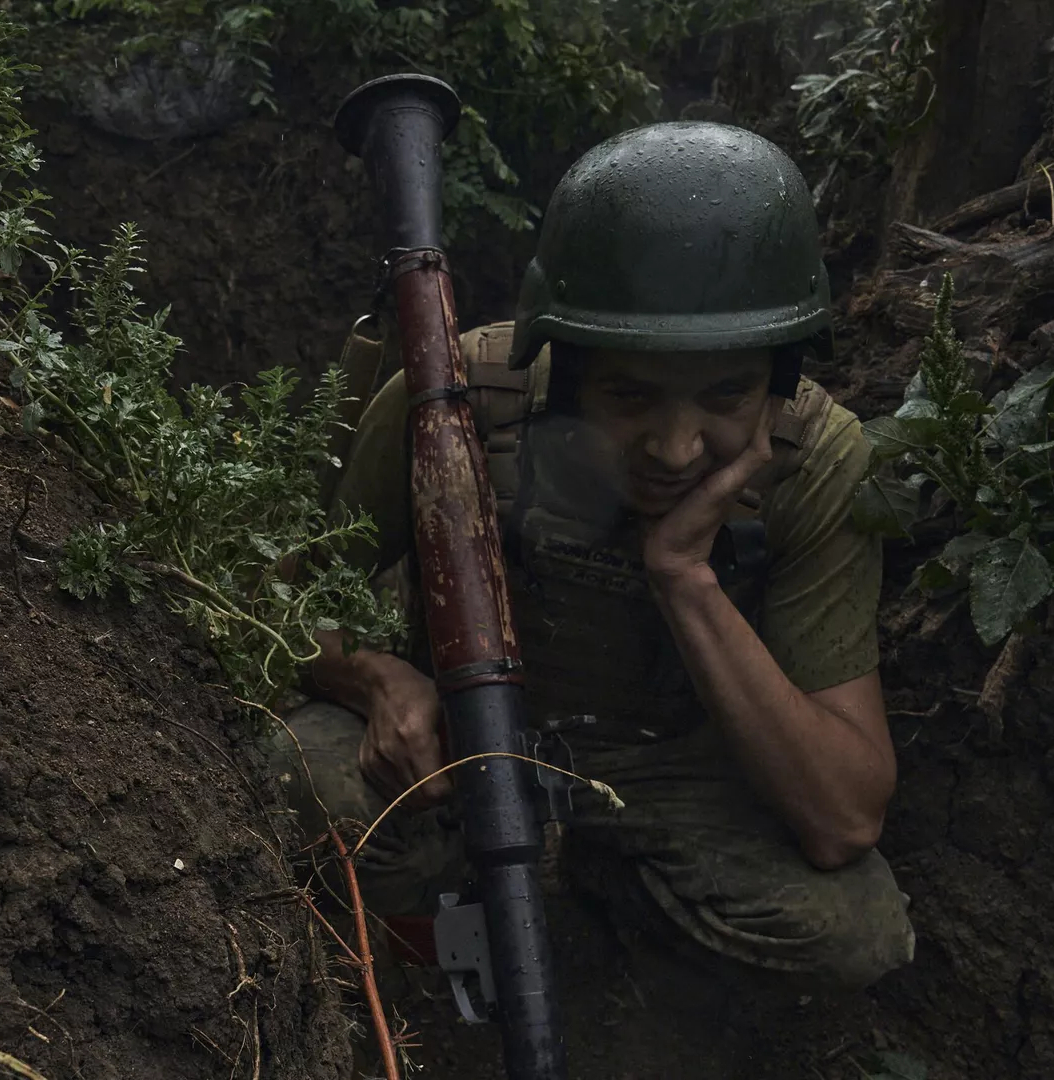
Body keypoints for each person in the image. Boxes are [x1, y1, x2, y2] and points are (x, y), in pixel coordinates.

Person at [278, 121, 914, 992]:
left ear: (781, 372)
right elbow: (281, 606)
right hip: (460, 745)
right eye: (631, 395)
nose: (679, 449)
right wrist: (379, 679)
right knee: (293, 782)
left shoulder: (822, 464)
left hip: (665, 775)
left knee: (854, 931)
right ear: (567, 369)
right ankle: (404, 959)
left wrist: (686, 577)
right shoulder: (454, 402)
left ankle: (611, 905)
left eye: (727, 393)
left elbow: (845, 818)